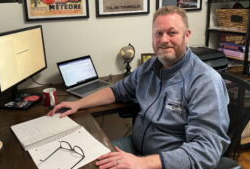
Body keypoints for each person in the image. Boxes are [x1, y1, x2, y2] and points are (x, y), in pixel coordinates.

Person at [48, 6, 230, 169]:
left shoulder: (204, 81)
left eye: (172, 32)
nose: (164, 39)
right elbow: (117, 91)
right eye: (158, 33)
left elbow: (206, 151)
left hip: (167, 162)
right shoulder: (150, 67)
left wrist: (141, 163)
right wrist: (79, 104)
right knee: (86, 160)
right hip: (136, 148)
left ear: (187, 35)